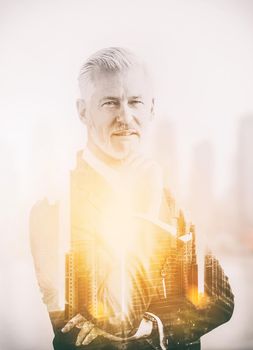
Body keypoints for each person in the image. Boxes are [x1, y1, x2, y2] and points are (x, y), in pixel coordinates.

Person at [30, 47, 234, 350]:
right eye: (110, 103)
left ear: (151, 108)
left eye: (135, 102)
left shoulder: (169, 199)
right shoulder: (54, 211)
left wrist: (152, 325)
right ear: (83, 111)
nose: (126, 116)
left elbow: (220, 301)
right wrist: (145, 212)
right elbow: (118, 315)